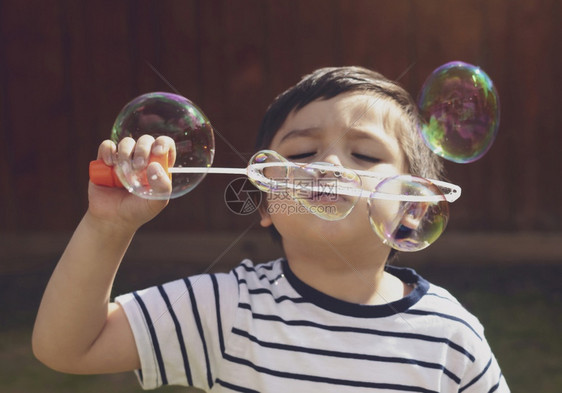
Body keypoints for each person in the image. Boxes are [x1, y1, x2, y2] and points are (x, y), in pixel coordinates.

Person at [32, 66, 509, 392]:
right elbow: (70, 347)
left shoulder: (450, 335)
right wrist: (108, 226)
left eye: (364, 154)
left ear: (415, 208)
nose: (329, 166)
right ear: (265, 200)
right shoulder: (226, 309)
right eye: (301, 155)